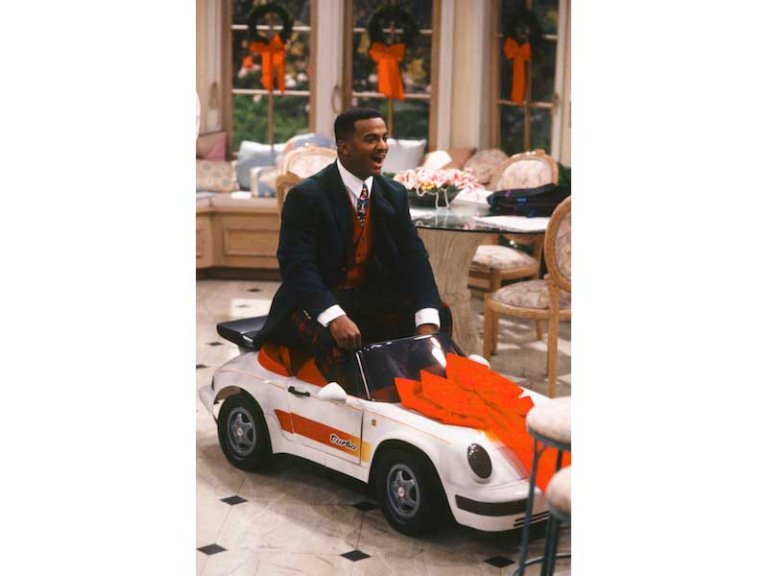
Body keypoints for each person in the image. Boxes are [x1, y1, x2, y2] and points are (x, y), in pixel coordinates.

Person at [254, 107, 452, 388]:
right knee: (337, 340)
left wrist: (427, 319)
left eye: (384, 138)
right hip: (312, 300)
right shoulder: (306, 196)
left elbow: (414, 257)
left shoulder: (393, 193)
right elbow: (296, 267)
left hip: (367, 296)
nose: (382, 147)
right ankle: (359, 401)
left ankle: (424, 391)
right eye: (371, 139)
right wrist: (333, 317)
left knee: (439, 312)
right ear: (344, 147)